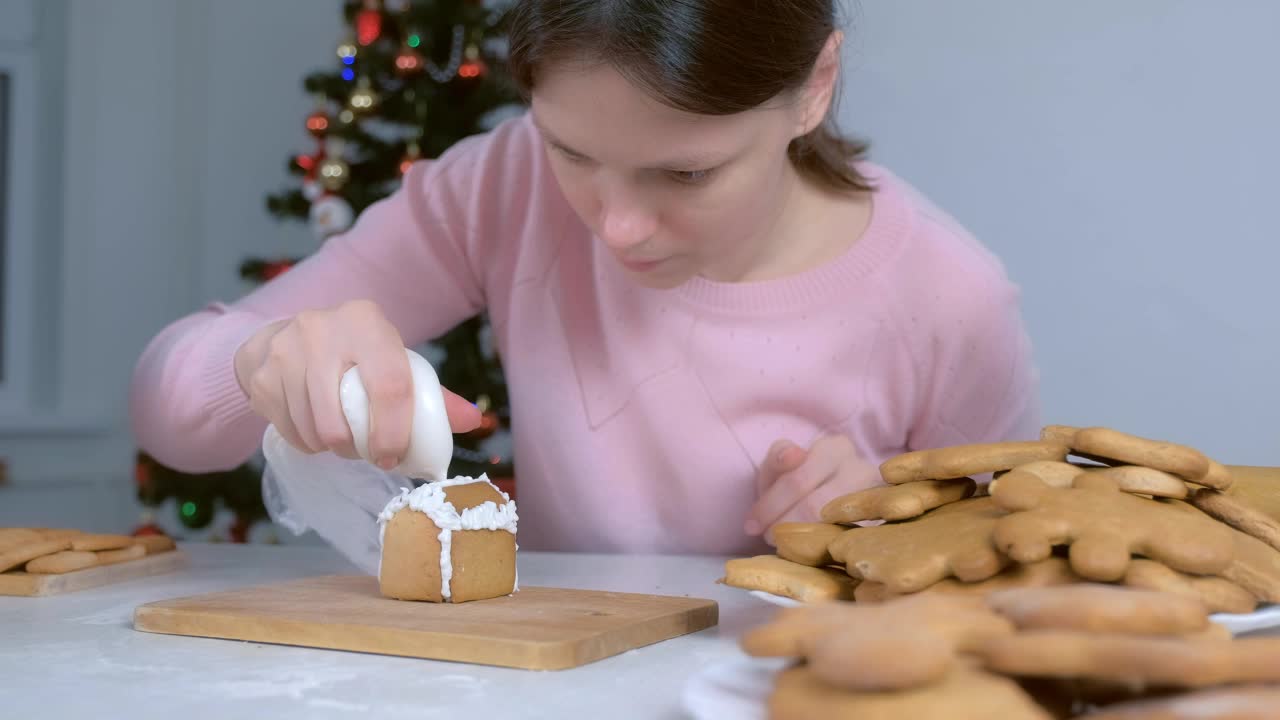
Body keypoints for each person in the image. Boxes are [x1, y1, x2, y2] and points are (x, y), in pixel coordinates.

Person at [129, 0, 1040, 557]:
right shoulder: (503, 184)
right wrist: (260, 361)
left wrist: (900, 524)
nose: (618, 227)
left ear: (815, 84)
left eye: (686, 173)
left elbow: (1019, 568)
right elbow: (171, 417)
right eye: (571, 150)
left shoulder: (949, 297)